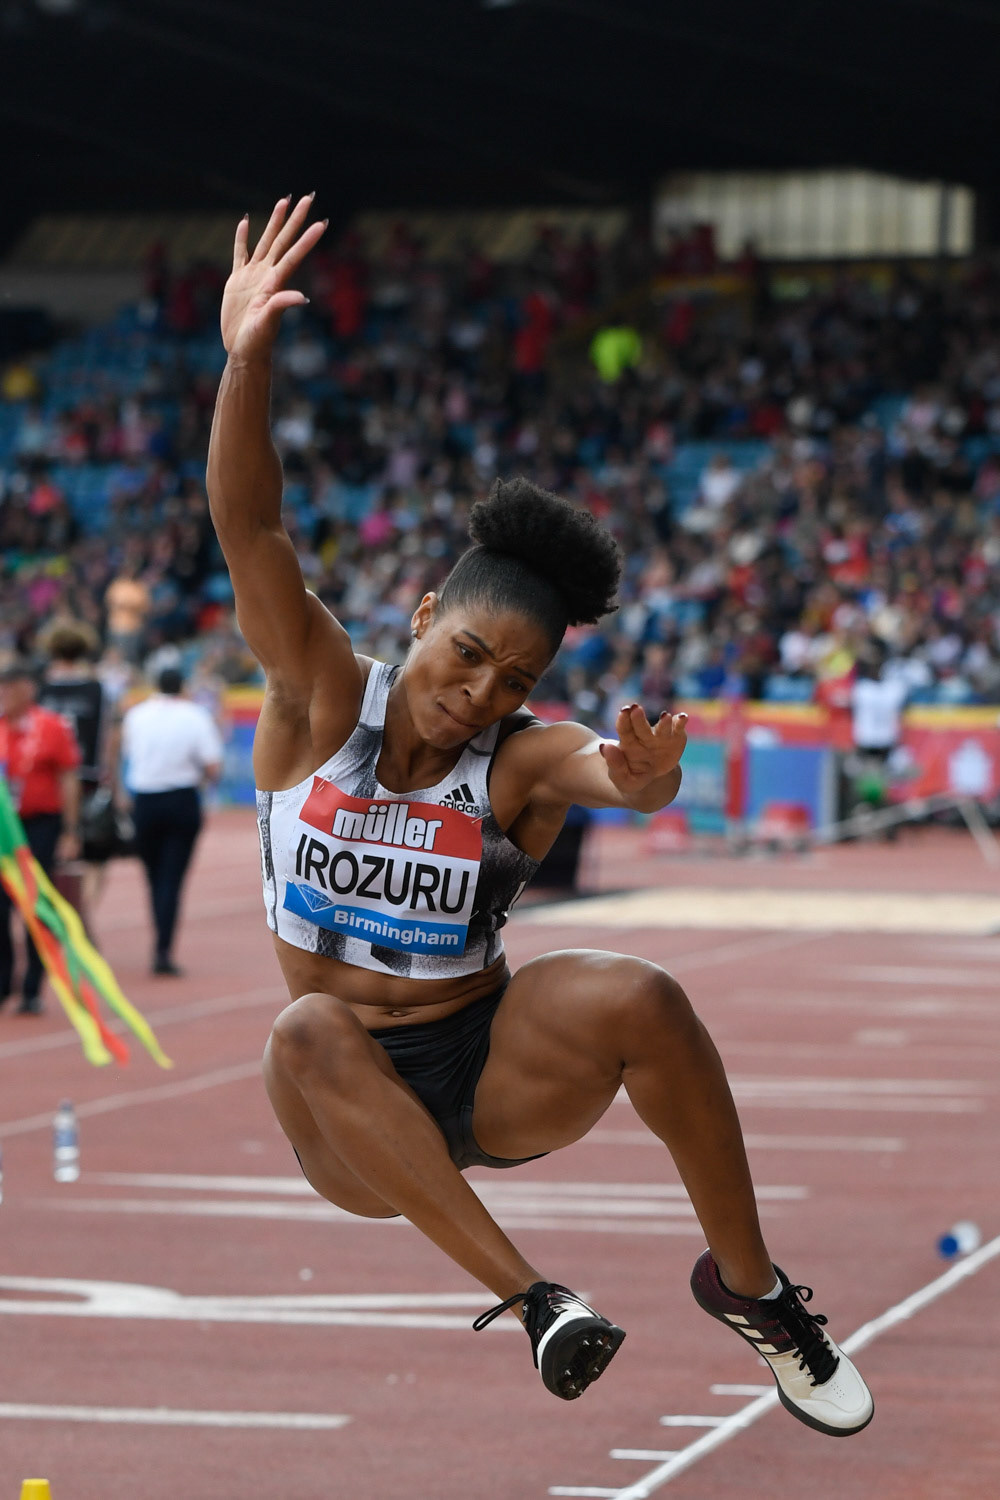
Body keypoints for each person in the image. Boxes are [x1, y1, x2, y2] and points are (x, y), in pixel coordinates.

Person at [206, 196, 873, 1435]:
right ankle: (535, 1305)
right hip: (347, 1112)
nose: (479, 695)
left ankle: (755, 1292)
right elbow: (251, 529)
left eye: (514, 681)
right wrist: (245, 361)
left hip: (489, 1074)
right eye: (466, 658)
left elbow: (612, 778)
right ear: (419, 617)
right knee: (303, 1027)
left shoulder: (514, 758)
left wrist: (652, 775)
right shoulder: (316, 701)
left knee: (641, 993)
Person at [121, 666, 223, 975]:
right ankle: (163, 948)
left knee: (153, 876)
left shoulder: (136, 715)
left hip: (145, 800)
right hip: (181, 799)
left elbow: (128, 754)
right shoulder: (196, 715)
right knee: (173, 878)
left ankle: (160, 939)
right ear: (182, 686)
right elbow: (213, 767)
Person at [0, 657, 82, 1013]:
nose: (3, 695)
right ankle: (4, 982)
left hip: (40, 825)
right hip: (4, 829)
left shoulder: (51, 726)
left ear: (27, 690)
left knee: (35, 904)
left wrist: (69, 829)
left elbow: (68, 778)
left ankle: (33, 986)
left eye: (9, 689)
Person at [38, 618, 120, 923]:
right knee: (95, 856)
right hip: (88, 778)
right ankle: (83, 911)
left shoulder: (40, 687)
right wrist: (115, 783)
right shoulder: (98, 689)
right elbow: (112, 737)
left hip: (46, 780)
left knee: (48, 852)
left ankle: (56, 915)